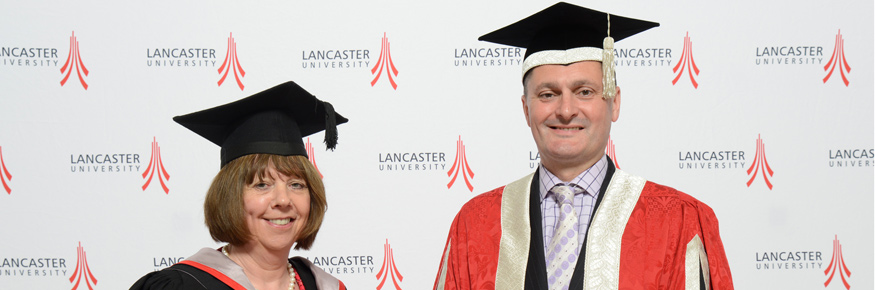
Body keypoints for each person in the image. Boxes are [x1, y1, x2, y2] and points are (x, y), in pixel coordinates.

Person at [433, 3, 733, 290]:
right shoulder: (476, 224)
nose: (565, 110)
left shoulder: (678, 220)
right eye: (548, 94)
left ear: (614, 103)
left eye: (584, 92)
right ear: (526, 110)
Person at [131, 81, 349, 290]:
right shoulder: (182, 286)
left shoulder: (323, 285)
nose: (283, 200)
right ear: (229, 196)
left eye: (296, 184)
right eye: (262, 184)